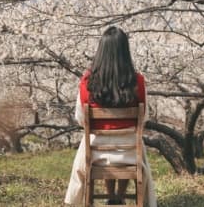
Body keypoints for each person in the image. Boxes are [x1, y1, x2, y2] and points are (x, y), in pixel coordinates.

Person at [64, 26, 156, 206]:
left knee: (93, 142)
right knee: (129, 144)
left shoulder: (87, 81)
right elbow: (144, 118)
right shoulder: (137, 81)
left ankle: (111, 196)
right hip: (130, 153)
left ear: (101, 50)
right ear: (124, 51)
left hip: (97, 153)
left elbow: (80, 118)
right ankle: (119, 196)